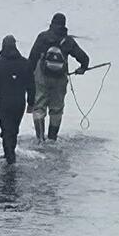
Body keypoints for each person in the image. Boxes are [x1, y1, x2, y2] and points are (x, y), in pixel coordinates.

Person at [28, 12, 89, 142]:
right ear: (64, 25)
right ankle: (52, 139)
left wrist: (28, 77)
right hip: (60, 79)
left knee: (39, 107)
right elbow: (84, 57)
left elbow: (32, 58)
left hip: (42, 78)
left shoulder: (43, 37)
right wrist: (82, 68)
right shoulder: (68, 41)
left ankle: (40, 139)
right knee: (56, 109)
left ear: (51, 23)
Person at [0, 35, 35, 163]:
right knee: (13, 130)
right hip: (19, 103)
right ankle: (10, 153)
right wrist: (31, 103)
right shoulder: (25, 63)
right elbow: (31, 85)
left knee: (6, 129)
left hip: (3, 103)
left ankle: (10, 156)